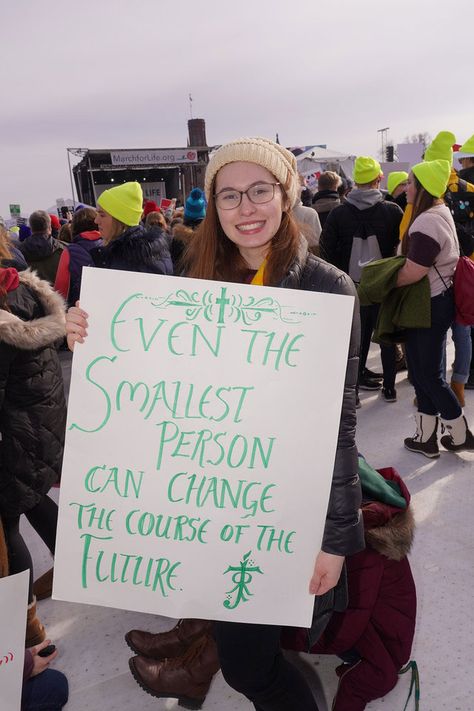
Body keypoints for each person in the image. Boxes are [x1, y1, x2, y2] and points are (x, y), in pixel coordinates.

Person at [66, 137, 364, 711]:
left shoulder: (327, 288)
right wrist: (90, 331)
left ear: (287, 195)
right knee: (239, 653)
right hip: (213, 505)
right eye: (229, 195)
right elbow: (153, 385)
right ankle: (194, 659)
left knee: (251, 668)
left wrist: (334, 539)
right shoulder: (194, 279)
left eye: (260, 191)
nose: (245, 208)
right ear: (213, 205)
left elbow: (339, 425)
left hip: (279, 510)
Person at [0, 259, 67, 646]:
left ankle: (29, 630)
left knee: (7, 529)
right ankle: (74, 565)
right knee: (35, 496)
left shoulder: (5, 316)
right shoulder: (25, 290)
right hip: (42, 430)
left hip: (15, 437)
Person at [397, 160, 474, 456]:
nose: (406, 188)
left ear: (423, 187)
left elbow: (415, 271)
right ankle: (425, 438)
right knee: (421, 371)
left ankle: (458, 433)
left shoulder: (427, 220)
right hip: (435, 302)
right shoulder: (439, 212)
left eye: (410, 183)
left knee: (427, 375)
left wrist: (389, 283)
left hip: (428, 304)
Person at [320, 156, 402, 401]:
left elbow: (326, 250)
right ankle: (389, 388)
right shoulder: (392, 210)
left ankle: (352, 393)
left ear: (355, 181)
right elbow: (401, 247)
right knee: (386, 335)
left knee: (356, 341)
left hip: (352, 286)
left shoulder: (338, 213)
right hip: (386, 285)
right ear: (379, 178)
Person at [90, 182, 173, 274]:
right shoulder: (138, 254)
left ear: (119, 220)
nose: (96, 221)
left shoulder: (139, 259)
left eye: (102, 215)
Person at [54, 207, 103, 307]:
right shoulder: (110, 243)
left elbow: (61, 290)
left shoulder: (70, 251)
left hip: (80, 310)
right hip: (112, 306)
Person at [19, 211, 65, 284]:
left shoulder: (18, 253)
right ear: (50, 228)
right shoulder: (65, 249)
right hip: (62, 293)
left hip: (34, 294)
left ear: (31, 229)